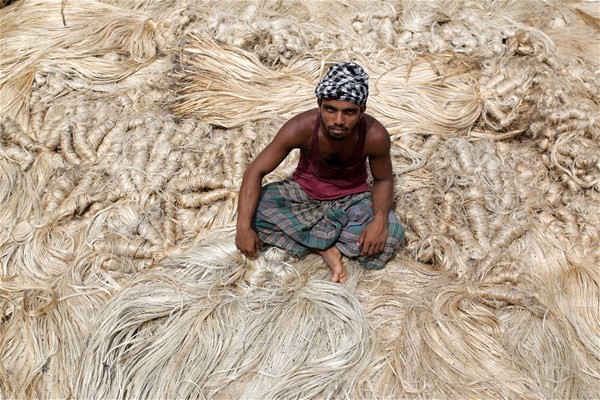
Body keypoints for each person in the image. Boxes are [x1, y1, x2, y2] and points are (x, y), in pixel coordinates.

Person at [235, 62, 404, 283]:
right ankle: (327, 249)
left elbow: (382, 179)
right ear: (319, 104)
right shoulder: (300, 127)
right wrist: (242, 227)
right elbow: (255, 171)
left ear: (362, 111)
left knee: (392, 235)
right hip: (303, 194)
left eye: (349, 112)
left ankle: (315, 241)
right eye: (330, 109)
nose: (338, 121)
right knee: (256, 210)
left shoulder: (375, 135)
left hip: (351, 201)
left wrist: (379, 221)